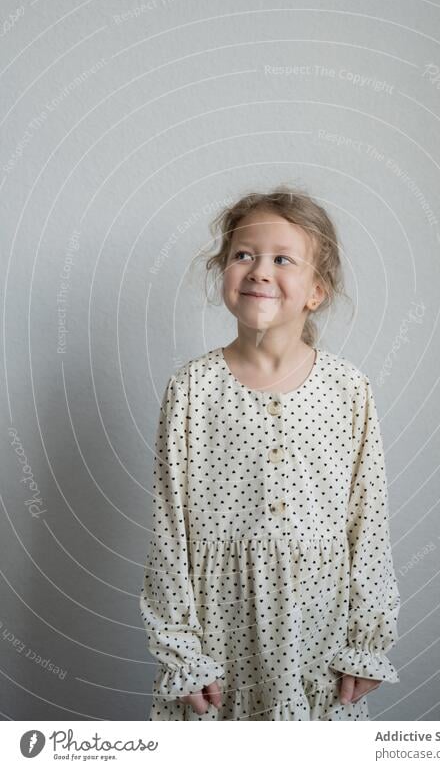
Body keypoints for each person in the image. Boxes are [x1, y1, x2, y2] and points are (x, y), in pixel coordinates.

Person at [139, 185, 401, 721]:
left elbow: (367, 521)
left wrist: (367, 641)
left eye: (283, 259)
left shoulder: (349, 390)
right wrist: (184, 653)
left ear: (316, 290)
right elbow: (170, 528)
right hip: (218, 635)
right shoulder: (192, 389)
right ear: (223, 274)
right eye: (243, 256)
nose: (260, 271)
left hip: (318, 634)